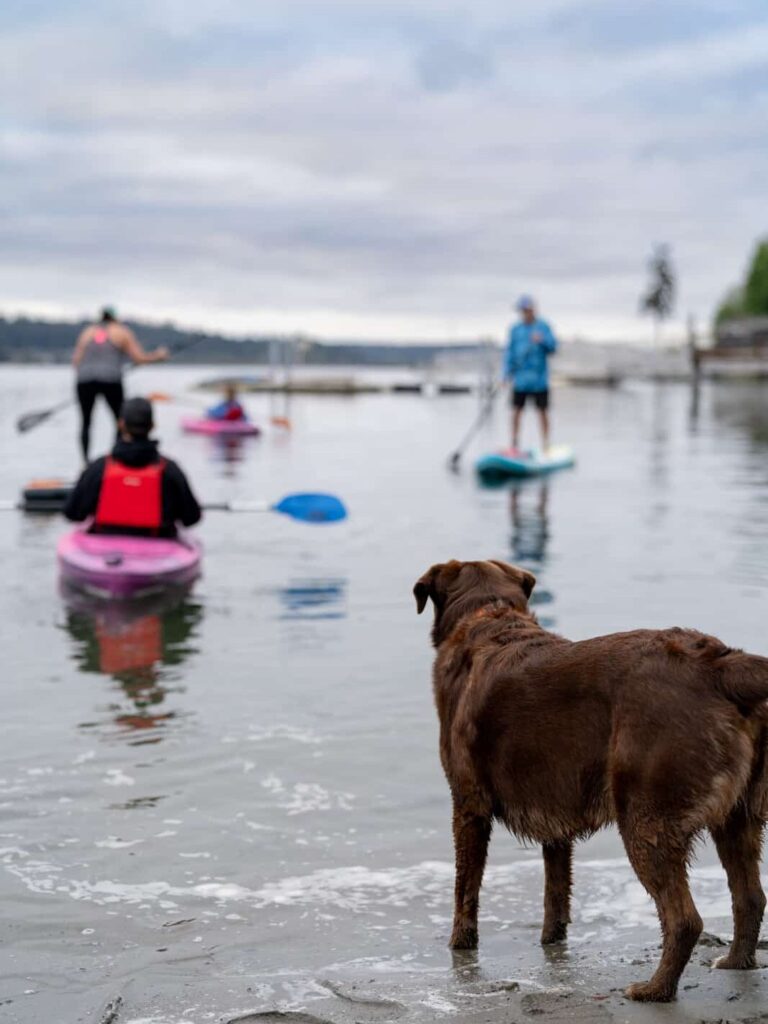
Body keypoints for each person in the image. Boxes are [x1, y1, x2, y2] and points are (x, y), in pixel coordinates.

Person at [63, 397, 202, 538]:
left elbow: (73, 513)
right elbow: (191, 518)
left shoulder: (98, 468)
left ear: (121, 424)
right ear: (152, 425)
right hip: (157, 542)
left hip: (104, 541)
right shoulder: (170, 470)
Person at [72, 306, 169, 462]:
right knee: (120, 421)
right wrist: (159, 356)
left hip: (85, 381)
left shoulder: (87, 332)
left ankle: (85, 463)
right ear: (115, 318)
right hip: (111, 380)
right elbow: (139, 358)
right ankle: (115, 459)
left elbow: (76, 362)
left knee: (86, 422)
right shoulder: (121, 331)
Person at [502, 295, 558, 450]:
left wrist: (542, 340)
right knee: (516, 411)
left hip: (539, 380)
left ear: (533, 309)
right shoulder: (515, 329)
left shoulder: (544, 327)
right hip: (520, 380)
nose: (525, 313)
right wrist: (505, 374)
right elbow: (509, 353)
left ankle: (546, 444)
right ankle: (514, 443)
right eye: (522, 311)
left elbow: (553, 348)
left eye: (527, 310)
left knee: (542, 411)